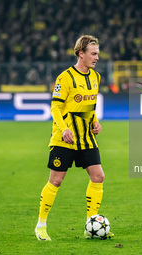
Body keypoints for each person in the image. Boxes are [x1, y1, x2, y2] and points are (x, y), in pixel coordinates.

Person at [34, 35, 113, 241]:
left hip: (86, 138)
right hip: (64, 138)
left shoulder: (96, 77)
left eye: (97, 54)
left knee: (98, 176)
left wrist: (95, 121)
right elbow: (55, 106)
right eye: (93, 54)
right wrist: (63, 129)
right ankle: (41, 226)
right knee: (56, 180)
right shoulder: (65, 78)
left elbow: (90, 106)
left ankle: (90, 225)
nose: (97, 57)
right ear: (81, 54)